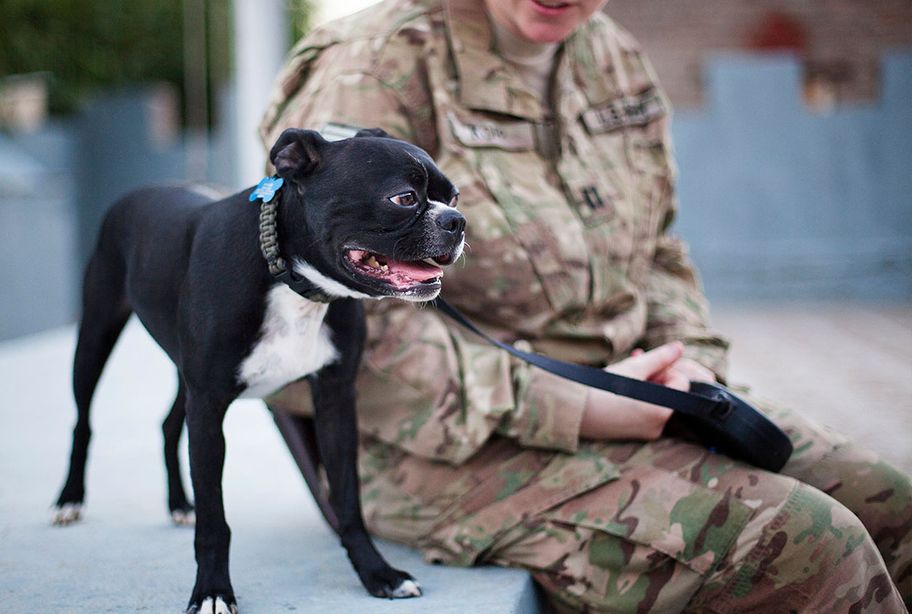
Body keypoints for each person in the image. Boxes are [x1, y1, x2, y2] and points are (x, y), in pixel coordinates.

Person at [258, 0, 912, 611]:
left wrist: (692, 363)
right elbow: (321, 312)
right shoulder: (378, 67)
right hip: (447, 455)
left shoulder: (609, 55)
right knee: (811, 543)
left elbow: (654, 250)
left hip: (648, 402)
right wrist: (577, 405)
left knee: (895, 506)